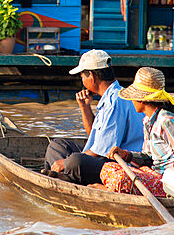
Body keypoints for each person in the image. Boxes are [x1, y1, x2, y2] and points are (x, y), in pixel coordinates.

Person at [43, 49, 144, 185]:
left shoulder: (115, 101)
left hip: (120, 164)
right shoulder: (109, 97)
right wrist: (85, 107)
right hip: (102, 155)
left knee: (75, 161)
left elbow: (102, 151)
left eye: (82, 77)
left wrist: (66, 162)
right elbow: (95, 135)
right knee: (57, 146)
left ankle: (65, 176)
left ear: (91, 75)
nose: (82, 80)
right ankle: (67, 176)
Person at [102, 67, 174, 196]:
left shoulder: (168, 121)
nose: (132, 101)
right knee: (108, 168)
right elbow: (148, 158)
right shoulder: (148, 121)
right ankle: (110, 190)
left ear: (141, 99)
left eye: (133, 97)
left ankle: (107, 191)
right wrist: (126, 155)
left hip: (169, 184)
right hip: (154, 174)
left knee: (121, 178)